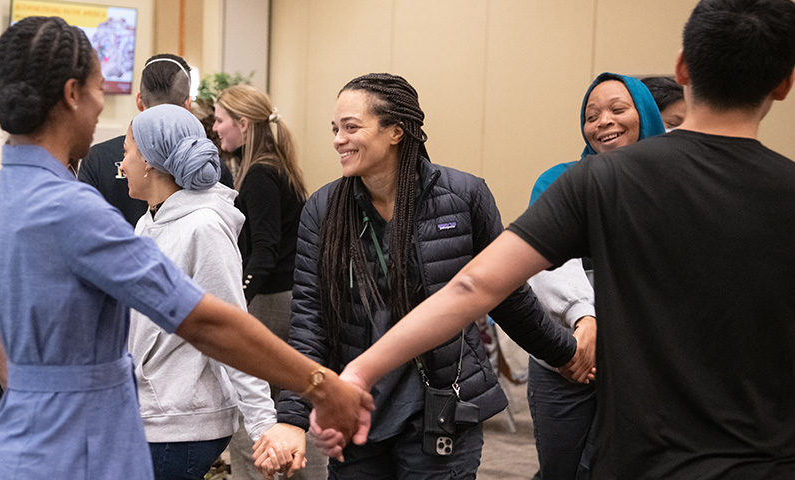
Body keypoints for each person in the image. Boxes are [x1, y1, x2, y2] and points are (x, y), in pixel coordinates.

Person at [332, 1, 795, 478]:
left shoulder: (600, 180)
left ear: (682, 67)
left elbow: (474, 287)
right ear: (785, 83)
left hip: (644, 458)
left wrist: (360, 373)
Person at [0, 16, 372, 480]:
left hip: (9, 450)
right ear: (72, 94)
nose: (104, 108)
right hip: (84, 448)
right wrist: (320, 384)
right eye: (101, 89)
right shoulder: (75, 210)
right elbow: (204, 321)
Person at [276, 72, 587, 479]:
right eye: (335, 129)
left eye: (351, 127)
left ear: (396, 132)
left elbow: (506, 295)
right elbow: (310, 321)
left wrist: (563, 353)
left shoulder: (463, 197)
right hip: (357, 407)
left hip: (442, 406)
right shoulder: (324, 210)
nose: (338, 139)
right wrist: (292, 418)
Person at [120, 103, 288, 478]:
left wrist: (263, 425)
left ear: (148, 159)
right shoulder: (148, 222)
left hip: (181, 422)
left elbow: (232, 331)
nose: (122, 164)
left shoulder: (203, 228)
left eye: (128, 152)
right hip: (150, 412)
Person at [524, 72, 664, 480]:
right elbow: (546, 262)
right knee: (561, 468)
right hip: (567, 356)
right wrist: (585, 318)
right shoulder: (560, 179)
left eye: (618, 110)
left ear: (647, 117)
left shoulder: (673, 184)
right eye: (591, 114)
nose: (603, 121)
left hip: (645, 362)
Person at [211, 85, 324, 479]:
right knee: (293, 404)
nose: (215, 127)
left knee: (249, 408)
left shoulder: (259, 174)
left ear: (243, 124)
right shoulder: (277, 165)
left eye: (220, 119)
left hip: (271, 301)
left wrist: (236, 301)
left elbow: (264, 251)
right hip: (289, 297)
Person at [79, 53, 232, 225]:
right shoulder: (209, 167)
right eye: (126, 151)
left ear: (139, 100)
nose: (123, 164)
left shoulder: (97, 158)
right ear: (188, 105)